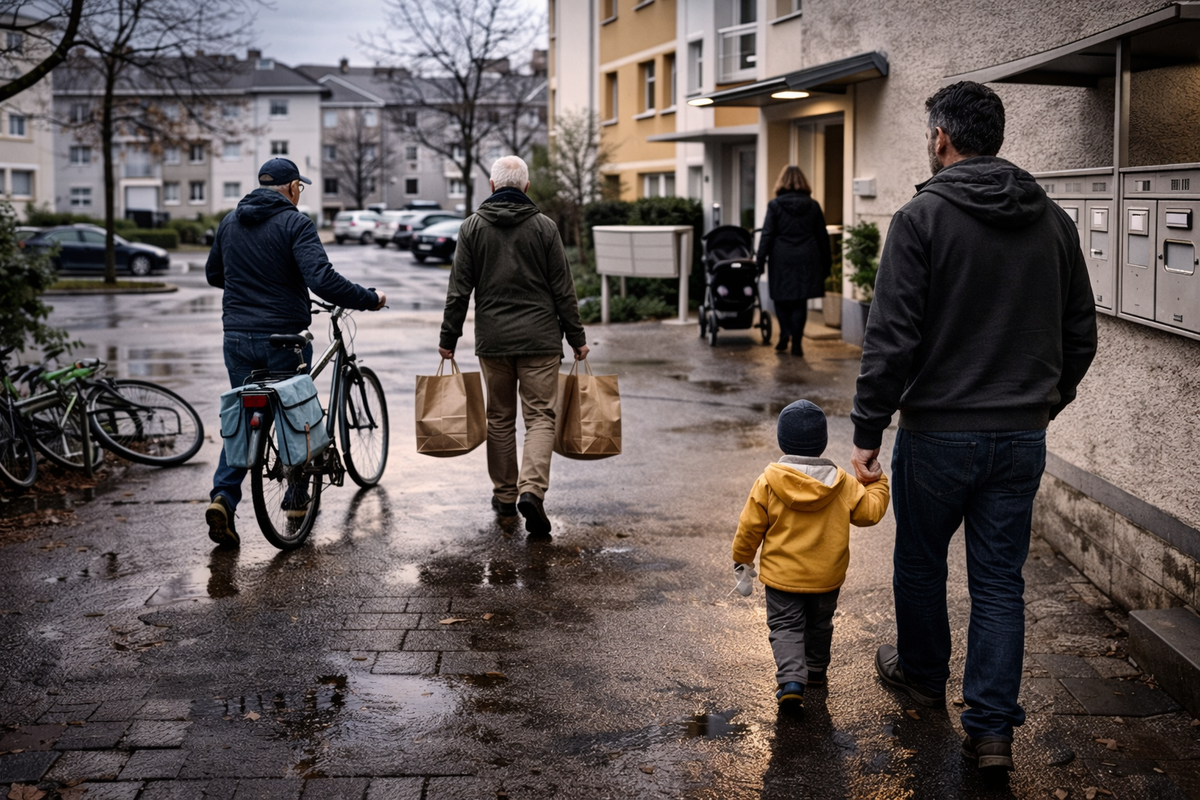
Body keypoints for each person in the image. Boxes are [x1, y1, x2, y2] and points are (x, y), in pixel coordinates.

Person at [849, 82, 1097, 771]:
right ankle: (991, 731)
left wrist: (868, 428)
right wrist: (1043, 404)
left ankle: (924, 676)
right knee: (998, 580)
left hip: (936, 435)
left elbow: (890, 338)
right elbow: (1080, 334)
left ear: (942, 138)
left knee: (920, 561)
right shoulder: (1053, 221)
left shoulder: (920, 218)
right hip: (1020, 436)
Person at [204, 157, 386, 548]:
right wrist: (369, 298)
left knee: (245, 416)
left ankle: (223, 498)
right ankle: (296, 496)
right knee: (295, 413)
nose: (298, 194)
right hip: (283, 337)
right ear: (291, 188)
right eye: (299, 188)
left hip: (236, 337)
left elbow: (214, 274)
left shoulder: (230, 222)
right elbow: (321, 279)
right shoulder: (295, 223)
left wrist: (250, 290)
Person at [438, 155, 588, 537]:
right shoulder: (545, 227)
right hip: (540, 339)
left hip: (494, 341)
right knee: (540, 417)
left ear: (491, 186)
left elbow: (459, 290)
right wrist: (577, 338)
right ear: (526, 187)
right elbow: (563, 288)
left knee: (500, 418)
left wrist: (448, 338)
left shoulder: (472, 227)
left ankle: (505, 496)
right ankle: (531, 491)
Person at [732, 400, 890, 712]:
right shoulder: (842, 483)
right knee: (820, 624)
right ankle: (815, 670)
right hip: (826, 578)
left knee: (785, 626)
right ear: (823, 442)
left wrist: (743, 560)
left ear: (782, 440)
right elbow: (870, 513)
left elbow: (749, 527)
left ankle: (792, 680)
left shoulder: (768, 482)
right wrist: (877, 482)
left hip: (782, 578)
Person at [755, 165, 832, 356]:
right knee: (799, 301)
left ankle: (784, 333)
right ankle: (797, 344)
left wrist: (760, 261)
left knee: (780, 298)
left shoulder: (775, 205)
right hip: (807, 257)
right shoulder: (813, 205)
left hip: (781, 257)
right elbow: (822, 236)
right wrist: (827, 263)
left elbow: (767, 235)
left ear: (781, 182)